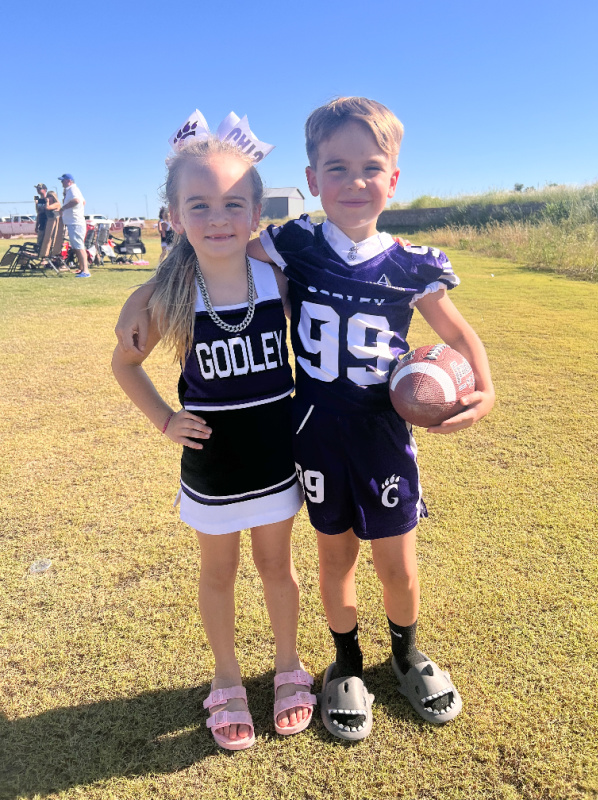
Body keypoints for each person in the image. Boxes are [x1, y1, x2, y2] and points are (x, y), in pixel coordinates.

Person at [115, 97, 495, 741]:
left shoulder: (404, 262)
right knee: (331, 558)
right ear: (312, 180)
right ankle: (339, 663)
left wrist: (484, 390)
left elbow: (457, 330)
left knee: (395, 563)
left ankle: (405, 654)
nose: (353, 182)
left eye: (370, 167)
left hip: (376, 434)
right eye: (335, 169)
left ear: (393, 178)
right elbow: (211, 242)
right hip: (306, 433)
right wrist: (159, 392)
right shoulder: (290, 247)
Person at [111, 136, 315, 751]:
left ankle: (287, 668)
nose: (217, 218)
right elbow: (124, 366)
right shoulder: (169, 296)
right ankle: (226, 677)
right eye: (198, 205)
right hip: (213, 465)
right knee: (218, 572)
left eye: (233, 204)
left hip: (275, 455)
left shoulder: (275, 275)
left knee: (277, 566)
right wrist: (166, 420)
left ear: (257, 214)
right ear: (172, 218)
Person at [58, 173, 90, 277]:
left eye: (63, 181)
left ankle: (86, 271)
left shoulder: (72, 189)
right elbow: (83, 202)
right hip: (73, 221)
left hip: (75, 222)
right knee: (76, 246)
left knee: (79, 246)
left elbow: (77, 201)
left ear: (69, 181)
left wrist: (64, 208)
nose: (61, 183)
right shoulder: (71, 190)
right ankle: (81, 268)